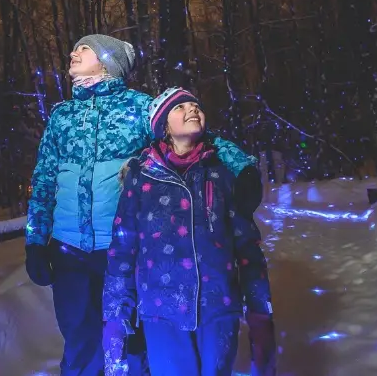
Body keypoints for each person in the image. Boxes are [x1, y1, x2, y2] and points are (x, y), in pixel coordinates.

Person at [25, 36, 258, 376]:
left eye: (84, 48)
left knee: (131, 343)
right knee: (79, 341)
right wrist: (35, 241)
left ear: (108, 60)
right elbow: (44, 177)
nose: (73, 53)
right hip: (68, 250)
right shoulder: (62, 116)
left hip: (124, 249)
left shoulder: (138, 108)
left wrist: (242, 167)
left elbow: (195, 136)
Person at [102, 88, 276, 376]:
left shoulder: (220, 172)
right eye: (180, 107)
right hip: (160, 311)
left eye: (196, 105)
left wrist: (260, 312)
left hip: (218, 307)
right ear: (163, 126)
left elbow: (246, 245)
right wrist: (115, 317)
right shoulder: (141, 176)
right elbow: (123, 248)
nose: (192, 109)